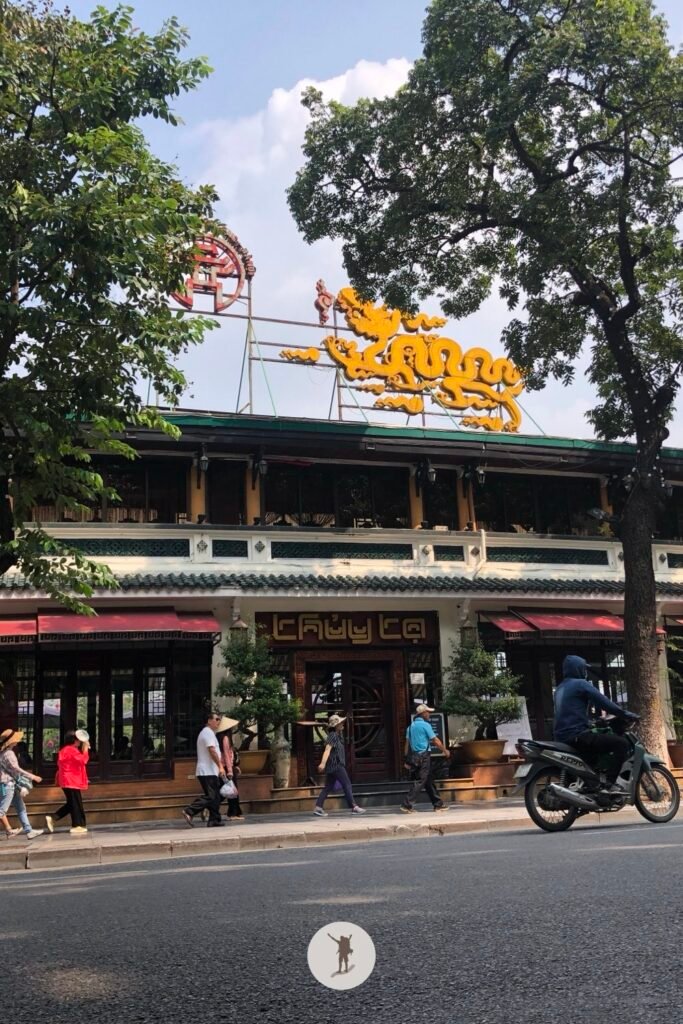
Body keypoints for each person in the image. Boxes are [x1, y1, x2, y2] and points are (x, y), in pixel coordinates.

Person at [554, 654, 639, 791]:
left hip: (562, 737)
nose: (585, 672)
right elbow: (604, 703)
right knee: (621, 744)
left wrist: (591, 723)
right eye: (584, 669)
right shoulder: (580, 684)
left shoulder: (560, 688)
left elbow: (570, 712)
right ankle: (609, 785)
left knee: (594, 751)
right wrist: (626, 714)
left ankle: (592, 785)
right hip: (577, 735)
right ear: (578, 669)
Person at [400, 703, 451, 813]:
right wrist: (445, 750)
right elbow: (435, 740)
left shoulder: (411, 727)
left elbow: (407, 744)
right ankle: (406, 804)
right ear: (422, 713)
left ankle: (438, 804)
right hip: (424, 757)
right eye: (428, 712)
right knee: (421, 780)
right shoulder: (425, 725)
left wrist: (406, 758)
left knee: (428, 780)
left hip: (415, 757)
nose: (429, 714)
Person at [313, 714, 365, 817]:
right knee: (347, 784)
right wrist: (322, 763)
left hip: (334, 765)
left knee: (328, 787)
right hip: (336, 765)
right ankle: (354, 806)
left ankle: (318, 808)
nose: (342, 724)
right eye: (340, 722)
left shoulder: (337, 735)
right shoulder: (333, 736)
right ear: (336, 725)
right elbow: (327, 749)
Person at [182, 711, 224, 828]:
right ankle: (189, 811)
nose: (218, 722)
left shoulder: (210, 733)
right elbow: (212, 751)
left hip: (211, 770)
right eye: (216, 719)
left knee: (215, 796)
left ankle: (214, 819)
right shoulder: (207, 733)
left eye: (219, 719)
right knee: (211, 796)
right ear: (209, 720)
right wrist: (220, 766)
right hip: (207, 771)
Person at [0, 729, 44, 839]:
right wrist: (32, 776)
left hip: (10, 784)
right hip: (8, 784)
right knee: (2, 810)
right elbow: (16, 769)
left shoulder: (3, 753)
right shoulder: (9, 753)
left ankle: (28, 830)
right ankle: (18, 830)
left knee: (21, 808)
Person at [46, 729, 91, 835]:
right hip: (71, 780)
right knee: (75, 803)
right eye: (78, 740)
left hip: (69, 779)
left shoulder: (67, 750)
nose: (80, 742)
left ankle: (54, 818)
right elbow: (83, 760)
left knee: (73, 803)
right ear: (73, 740)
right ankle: (76, 825)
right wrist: (85, 750)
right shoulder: (71, 750)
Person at [216, 715, 245, 821]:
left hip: (225, 767)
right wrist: (230, 770)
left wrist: (234, 766)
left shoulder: (219, 737)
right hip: (226, 767)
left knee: (228, 791)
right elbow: (227, 756)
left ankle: (233, 811)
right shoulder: (225, 739)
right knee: (232, 791)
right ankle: (233, 813)